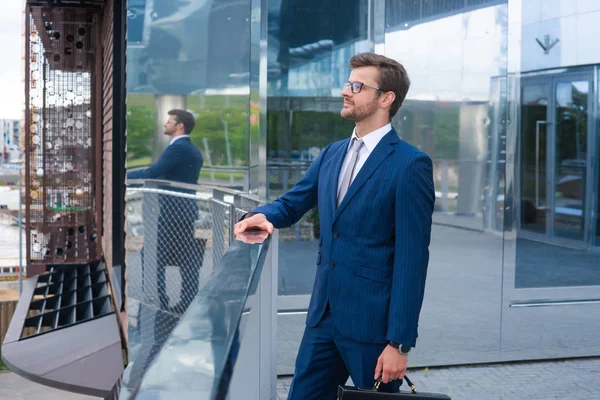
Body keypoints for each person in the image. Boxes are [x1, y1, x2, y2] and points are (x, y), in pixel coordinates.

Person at [234, 53, 435, 398]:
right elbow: (293, 202)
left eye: (357, 86)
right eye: (347, 83)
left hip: (373, 326)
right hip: (323, 318)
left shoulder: (410, 164)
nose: (346, 91)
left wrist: (399, 343)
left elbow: (412, 259)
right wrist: (262, 216)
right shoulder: (332, 153)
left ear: (386, 98)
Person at [127, 109, 204, 313]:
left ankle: (158, 300)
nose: (164, 125)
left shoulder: (177, 149)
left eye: (169, 121)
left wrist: (123, 176)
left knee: (153, 254)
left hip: (171, 213)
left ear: (180, 126)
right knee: (186, 258)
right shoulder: (193, 150)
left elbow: (153, 172)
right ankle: (185, 300)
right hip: (184, 211)